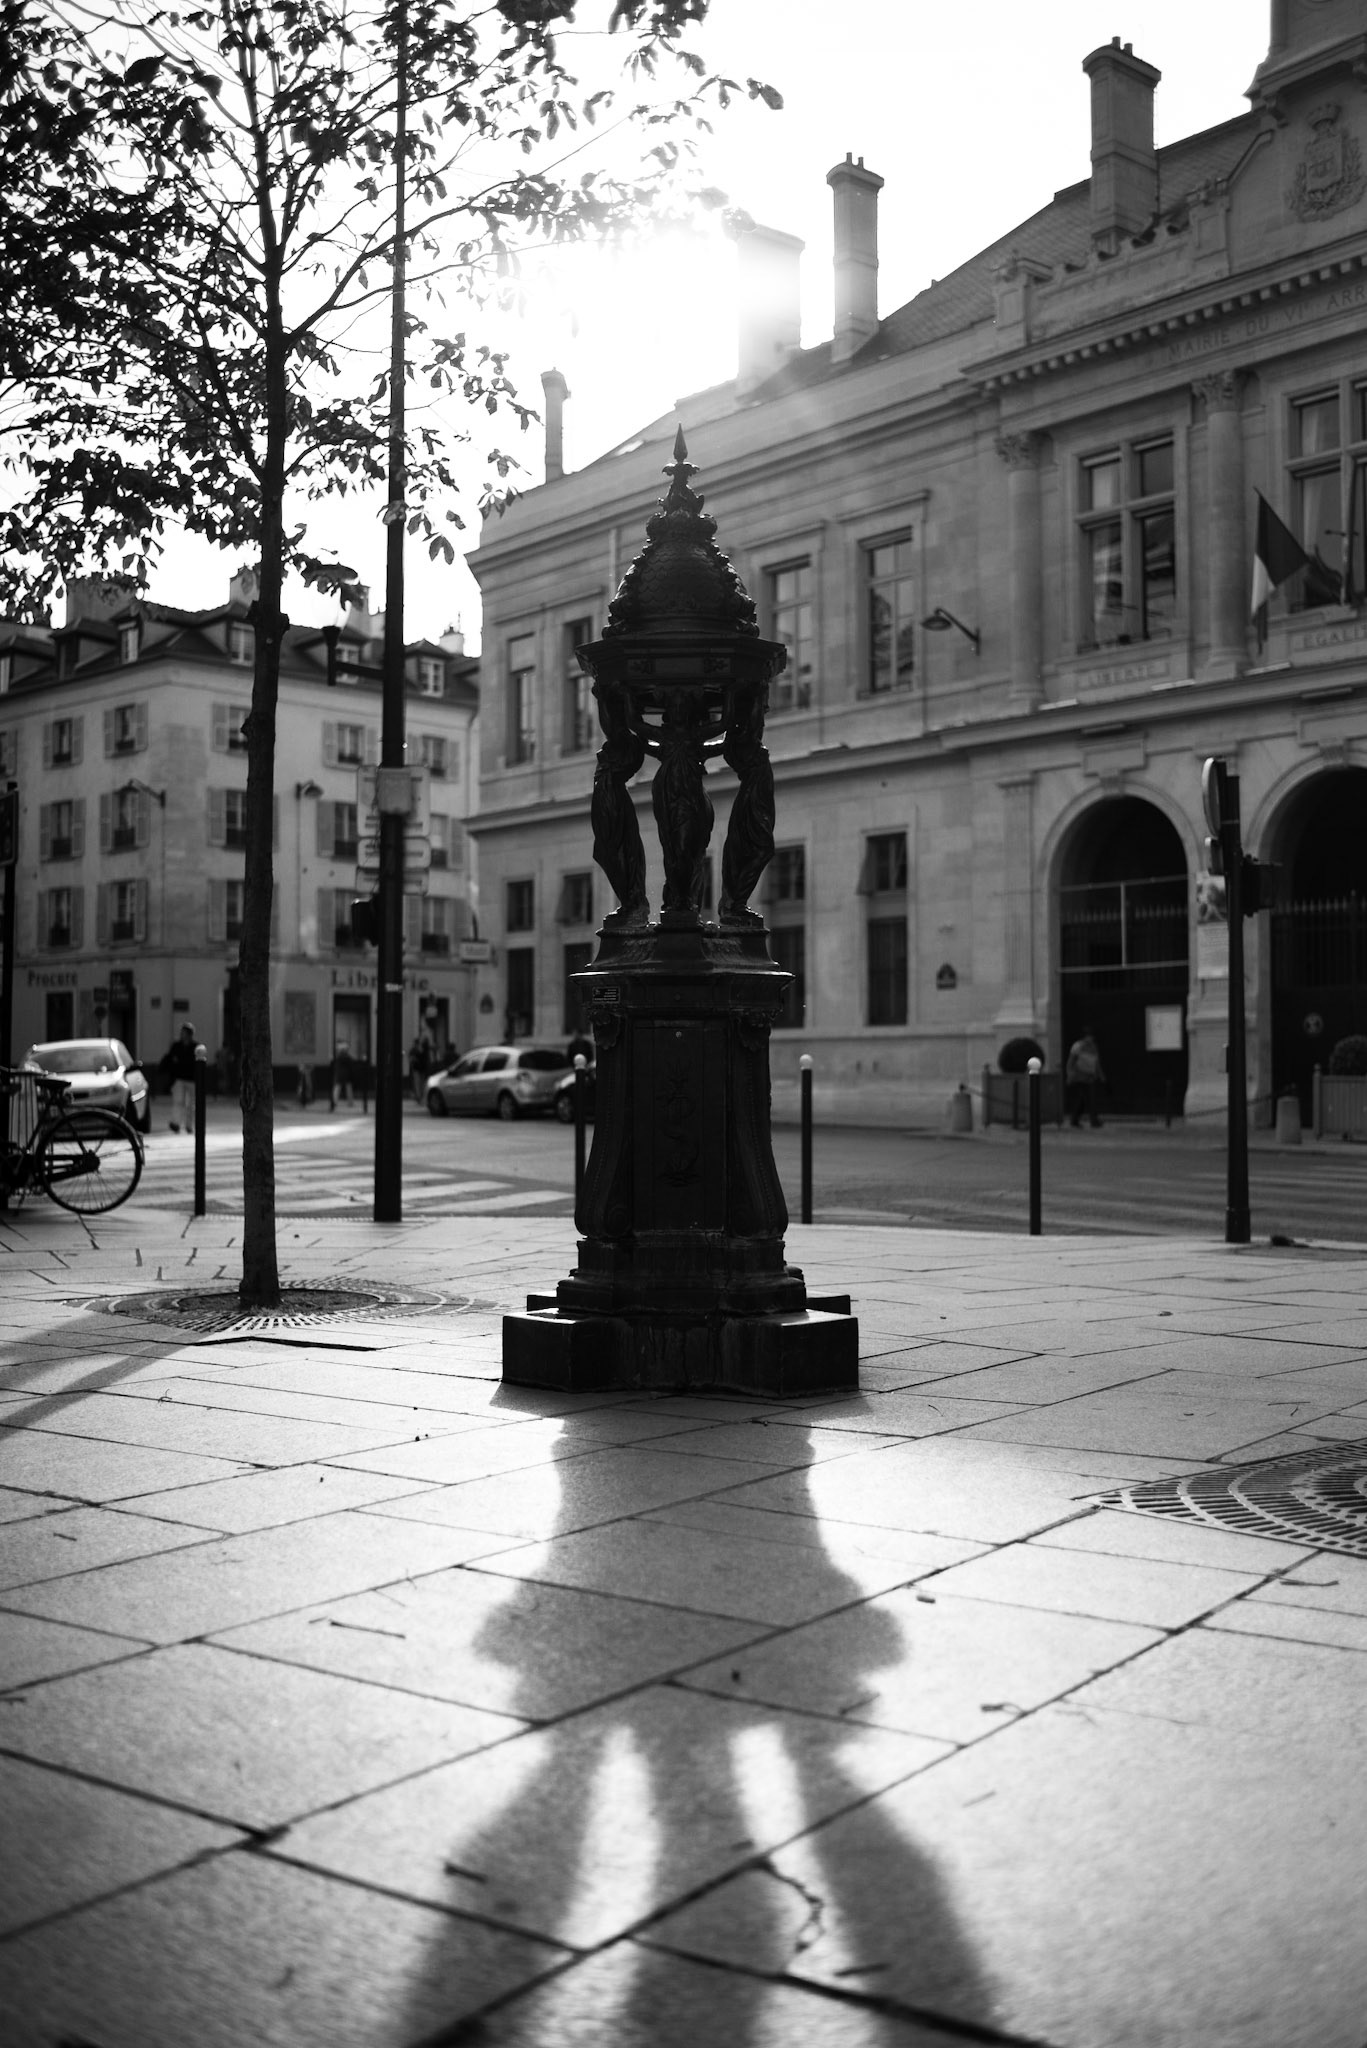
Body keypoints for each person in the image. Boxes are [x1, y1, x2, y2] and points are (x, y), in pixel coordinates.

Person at [161, 1022, 198, 1134]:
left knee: (190, 1104)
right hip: (179, 1078)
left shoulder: (195, 1047)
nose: (182, 1035)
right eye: (182, 1032)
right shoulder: (176, 1046)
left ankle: (189, 1125)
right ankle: (176, 1123)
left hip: (192, 1079)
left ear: (190, 1034)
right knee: (178, 1101)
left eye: (184, 1033)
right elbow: (171, 1059)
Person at [1066, 1028, 1105, 1129]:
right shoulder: (1078, 1046)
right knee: (1087, 1099)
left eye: (1091, 1037)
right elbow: (1071, 1061)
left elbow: (1096, 1062)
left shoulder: (1093, 1047)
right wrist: (1070, 1074)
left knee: (1085, 1099)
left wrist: (1100, 1075)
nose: (1090, 1039)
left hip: (1089, 1076)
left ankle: (1076, 1119)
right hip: (1079, 1076)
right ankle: (1092, 1120)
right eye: (1089, 1036)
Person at [331, 1041, 354, 1110]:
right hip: (347, 1074)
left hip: (339, 1074)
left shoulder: (338, 1058)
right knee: (348, 1088)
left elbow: (335, 1066)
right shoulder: (348, 1057)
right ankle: (350, 1102)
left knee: (337, 1088)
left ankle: (334, 1102)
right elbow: (351, 1066)